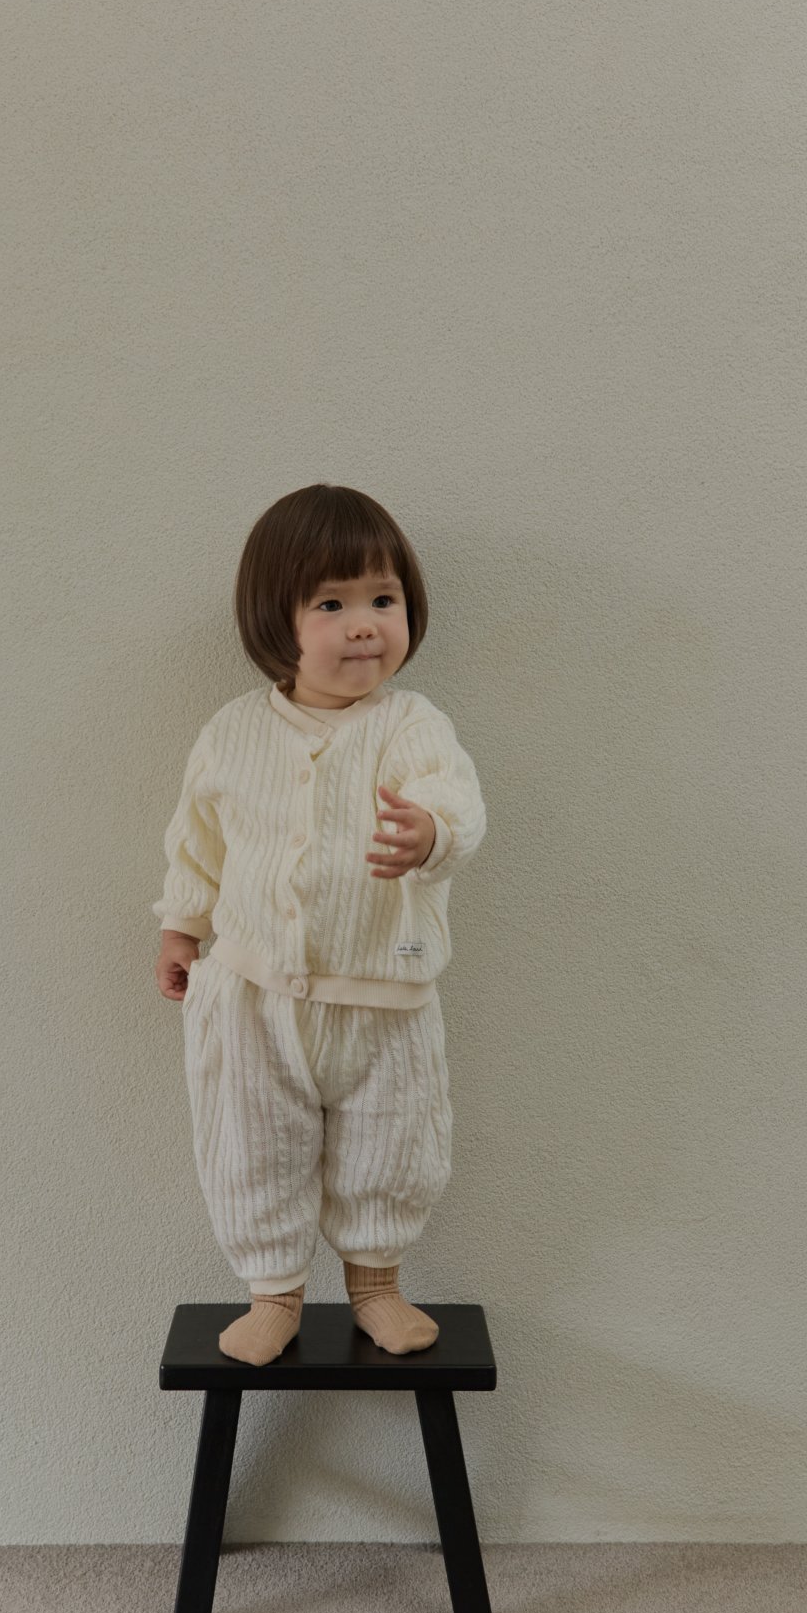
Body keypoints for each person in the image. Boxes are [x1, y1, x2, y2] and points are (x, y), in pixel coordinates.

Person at [153, 483, 487, 1365]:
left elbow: (454, 801)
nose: (365, 626)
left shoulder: (412, 726)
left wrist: (430, 834)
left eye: (383, 600)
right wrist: (181, 927)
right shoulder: (232, 733)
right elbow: (198, 841)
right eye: (332, 606)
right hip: (254, 995)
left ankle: (376, 1286)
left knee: (394, 1143)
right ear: (277, 620)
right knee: (252, 1145)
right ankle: (274, 1293)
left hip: (386, 996)